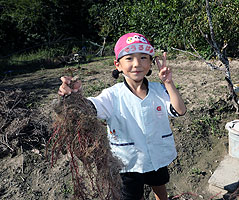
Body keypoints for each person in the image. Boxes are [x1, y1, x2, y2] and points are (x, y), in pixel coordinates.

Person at [58, 32, 186, 200]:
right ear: (117, 65)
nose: (137, 64)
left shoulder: (159, 90)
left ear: (150, 63)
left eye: (143, 58)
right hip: (128, 162)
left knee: (160, 186)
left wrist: (168, 82)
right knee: (132, 195)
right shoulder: (112, 95)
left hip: (157, 154)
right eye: (129, 58)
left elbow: (179, 111)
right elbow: (92, 107)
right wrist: (74, 98)